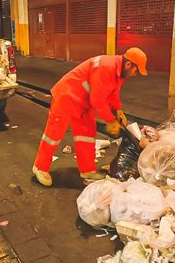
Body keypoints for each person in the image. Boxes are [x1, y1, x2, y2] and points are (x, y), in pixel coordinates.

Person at [32, 47, 148, 186]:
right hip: (67, 97)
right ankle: (40, 167)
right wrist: (110, 121)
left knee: (86, 134)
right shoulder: (106, 67)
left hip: (83, 103)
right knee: (53, 135)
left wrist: (118, 110)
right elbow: (98, 100)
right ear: (129, 64)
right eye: (136, 70)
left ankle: (87, 170)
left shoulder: (119, 72)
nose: (135, 74)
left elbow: (112, 92)